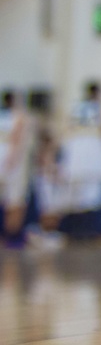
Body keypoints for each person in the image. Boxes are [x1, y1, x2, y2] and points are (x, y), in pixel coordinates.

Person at [61, 81, 101, 238]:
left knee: (76, 195)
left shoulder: (74, 108)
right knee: (92, 194)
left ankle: (75, 231)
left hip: (75, 154)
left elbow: (66, 131)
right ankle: (85, 230)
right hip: (94, 154)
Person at [0, 90, 31, 246]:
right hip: (12, 163)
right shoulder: (19, 117)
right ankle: (11, 237)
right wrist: (12, 159)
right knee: (15, 201)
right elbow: (16, 139)